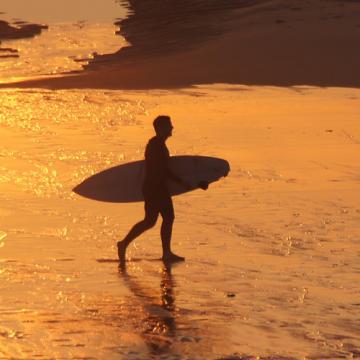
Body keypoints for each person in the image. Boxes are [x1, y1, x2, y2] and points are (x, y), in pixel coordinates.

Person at [117, 115, 189, 266]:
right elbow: (162, 170)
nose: (172, 128)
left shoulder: (157, 144)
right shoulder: (157, 146)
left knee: (150, 221)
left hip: (153, 188)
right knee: (166, 218)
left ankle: (124, 244)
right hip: (157, 189)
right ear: (161, 128)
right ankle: (166, 253)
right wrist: (181, 182)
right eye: (169, 125)